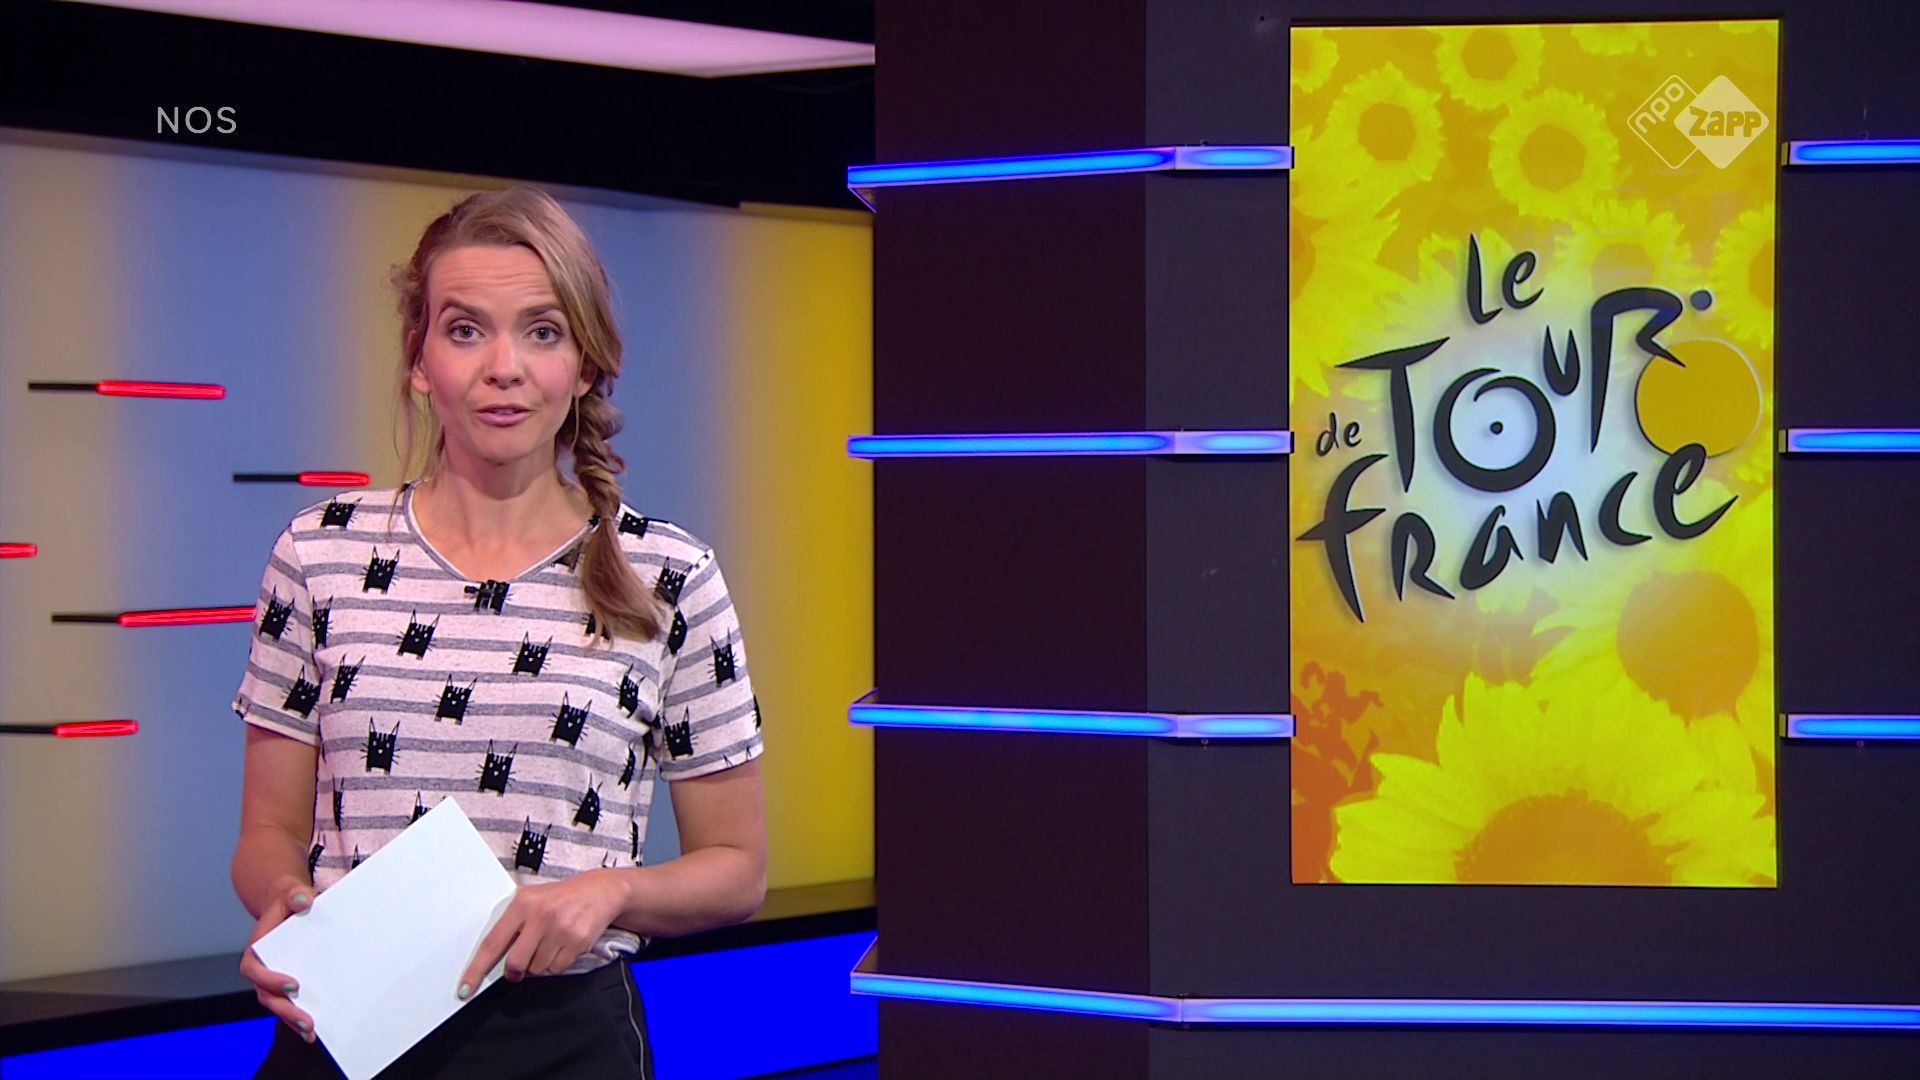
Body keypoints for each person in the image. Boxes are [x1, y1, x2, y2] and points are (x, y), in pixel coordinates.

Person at [229, 187, 766, 1078]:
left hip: (565, 1040)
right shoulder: (319, 552)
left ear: (585, 366)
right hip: (346, 1025)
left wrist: (610, 892)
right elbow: (266, 834)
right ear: (419, 360)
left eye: (543, 331)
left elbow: (737, 867)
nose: (504, 367)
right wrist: (286, 904)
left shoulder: (670, 575)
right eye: (466, 329)